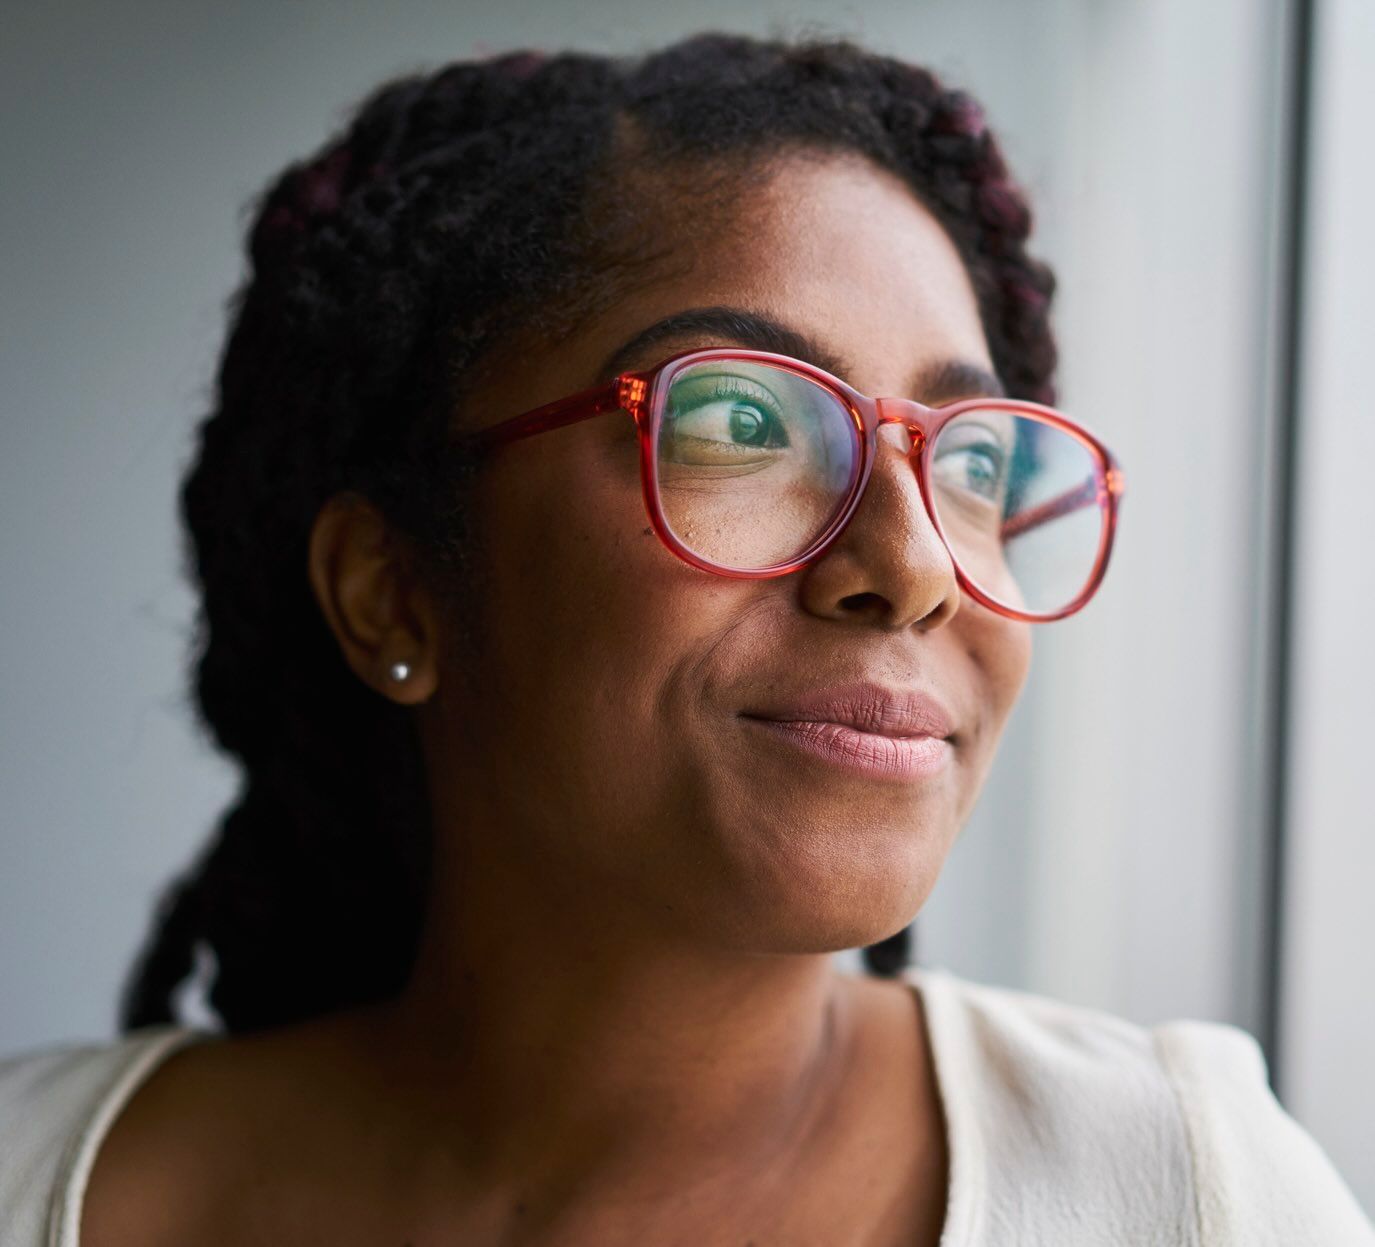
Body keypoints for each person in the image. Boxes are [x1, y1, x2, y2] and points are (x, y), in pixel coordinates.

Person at [1, 31, 1370, 1247]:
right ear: (391, 589)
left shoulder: (1186, 1195)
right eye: (744, 426)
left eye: (975, 466)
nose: (911, 568)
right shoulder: (26, 1178)